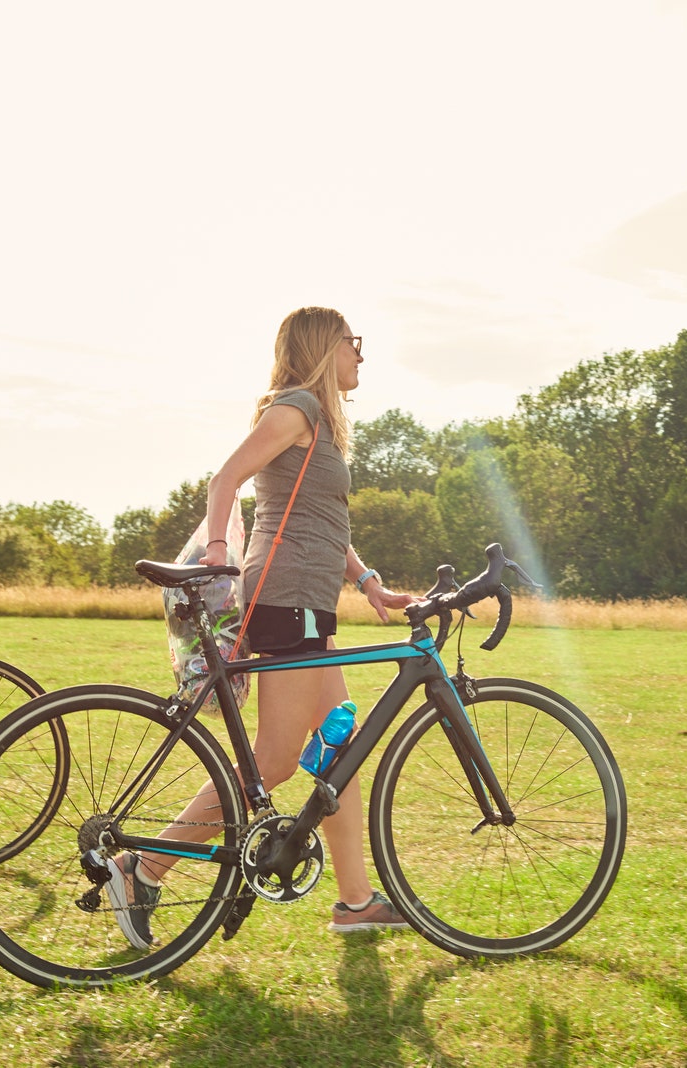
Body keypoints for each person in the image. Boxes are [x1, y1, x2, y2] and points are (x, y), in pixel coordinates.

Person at [105, 306, 417, 948]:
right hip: (287, 599)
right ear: (323, 348)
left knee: (339, 749)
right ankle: (141, 869)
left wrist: (368, 582)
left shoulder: (321, 423)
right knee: (275, 761)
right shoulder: (296, 408)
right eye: (351, 344)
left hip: (310, 600)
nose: (361, 355)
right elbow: (225, 479)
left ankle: (356, 902)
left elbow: (324, 520)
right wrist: (218, 546)